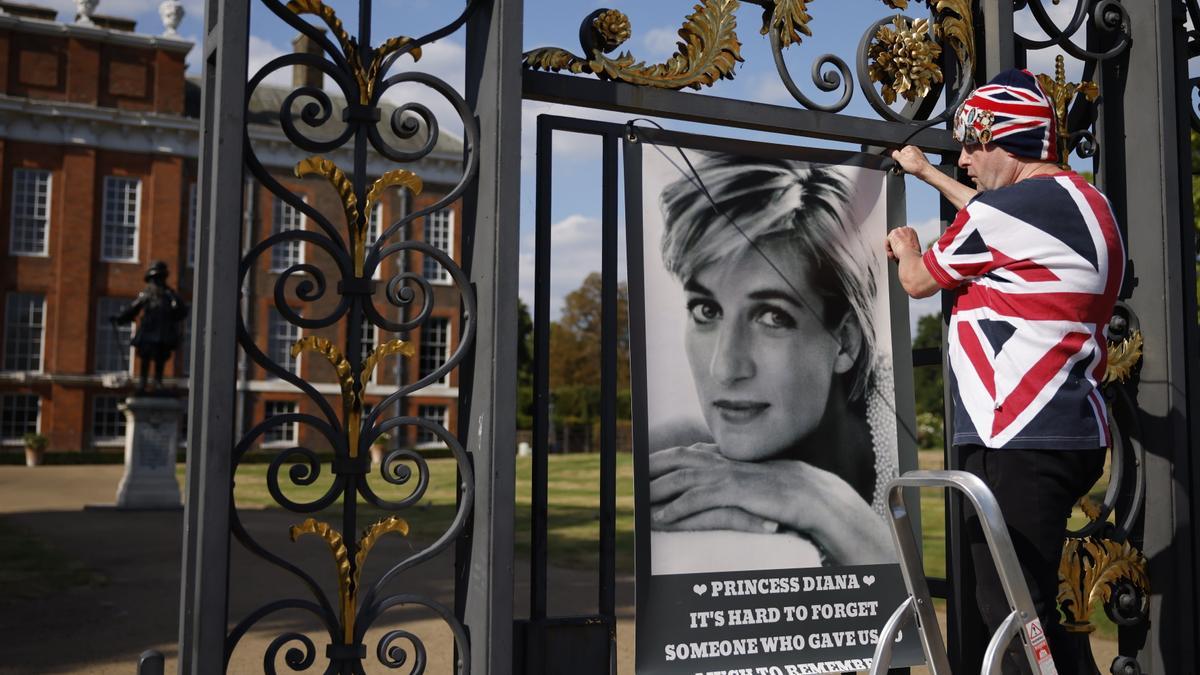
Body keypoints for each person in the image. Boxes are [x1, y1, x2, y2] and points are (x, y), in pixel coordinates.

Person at [886, 69, 1124, 674]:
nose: (962, 159)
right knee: (1035, 601)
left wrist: (908, 245)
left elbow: (917, 282)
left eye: (973, 145)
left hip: (1015, 434)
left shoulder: (1000, 216)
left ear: (1010, 141)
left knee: (1011, 611)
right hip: (1072, 433)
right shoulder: (1084, 202)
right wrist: (925, 172)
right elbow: (995, 213)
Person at [647, 153, 898, 571]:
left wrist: (824, 503)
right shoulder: (674, 458)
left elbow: (917, 619)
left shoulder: (893, 433)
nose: (725, 369)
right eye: (706, 311)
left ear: (845, 343)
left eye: (772, 317)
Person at [111, 260, 190, 392]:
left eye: (159, 278)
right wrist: (120, 318)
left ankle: (158, 382)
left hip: (163, 331)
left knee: (160, 357)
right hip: (149, 329)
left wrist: (175, 302)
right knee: (146, 356)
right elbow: (133, 308)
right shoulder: (146, 294)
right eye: (154, 279)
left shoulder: (169, 294)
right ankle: (143, 382)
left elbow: (181, 311)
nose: (156, 282)